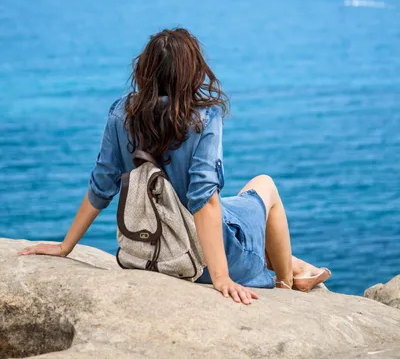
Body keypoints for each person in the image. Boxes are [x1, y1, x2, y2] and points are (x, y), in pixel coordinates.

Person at [19, 28, 331, 304]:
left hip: (144, 253)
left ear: (144, 71)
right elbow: (204, 200)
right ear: (192, 73)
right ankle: (286, 285)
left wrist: (65, 247)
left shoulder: (121, 114)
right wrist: (220, 279)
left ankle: (296, 267)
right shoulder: (203, 118)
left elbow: (102, 186)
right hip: (202, 261)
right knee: (264, 185)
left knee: (234, 207)